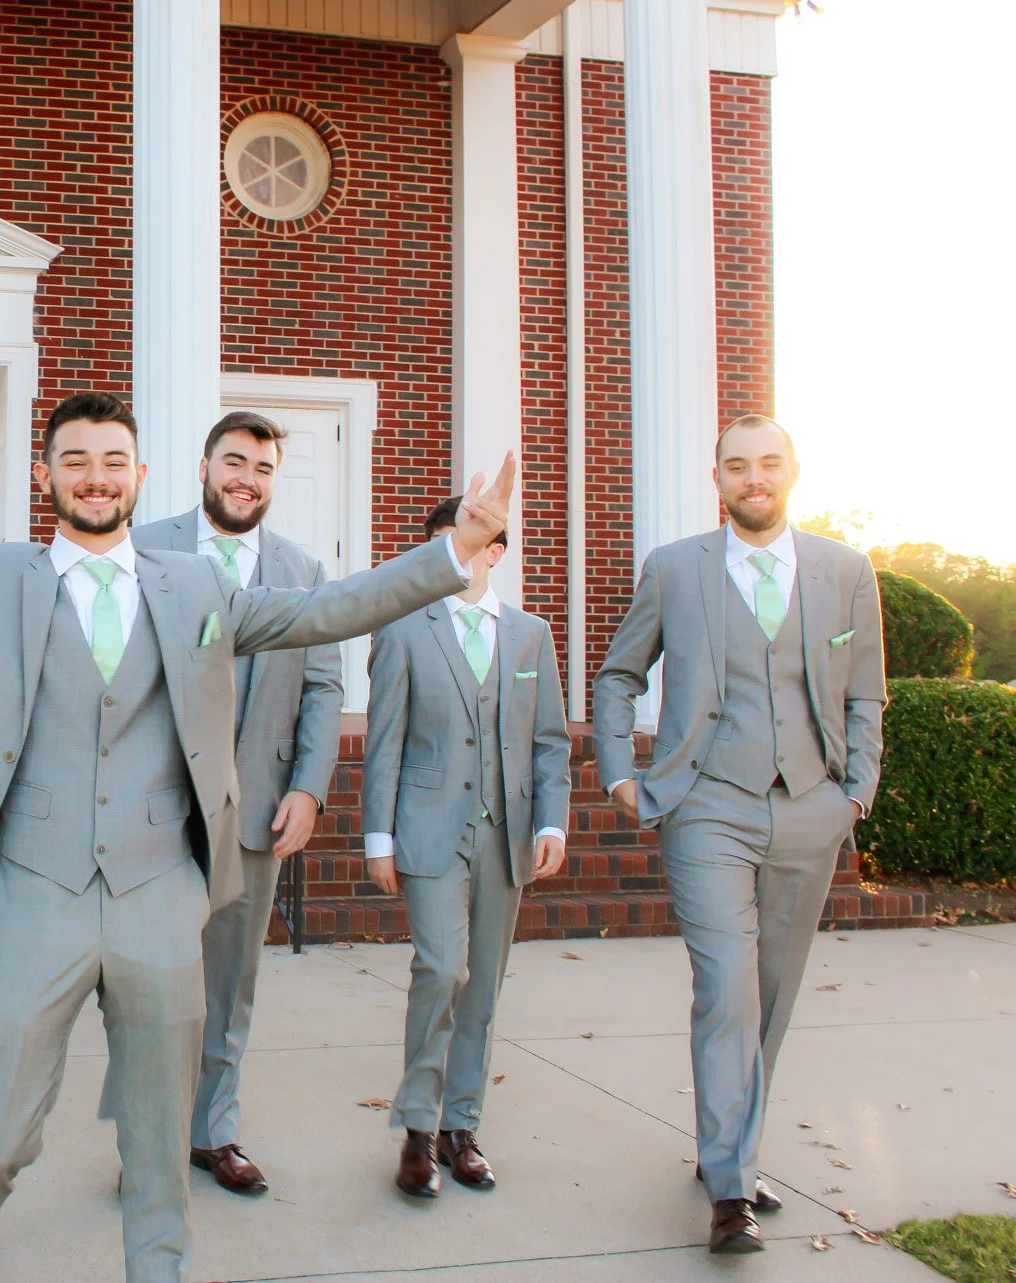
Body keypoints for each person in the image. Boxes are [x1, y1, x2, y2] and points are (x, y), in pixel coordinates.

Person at [0, 391, 514, 1283]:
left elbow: (332, 611)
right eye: (75, 459)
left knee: (160, 1151)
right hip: (34, 890)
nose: (95, 476)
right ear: (43, 474)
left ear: (143, 475)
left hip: (161, 892)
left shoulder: (198, 584)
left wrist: (456, 549)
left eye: (113, 460)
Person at [594, 414, 885, 1254]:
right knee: (726, 987)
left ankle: (731, 1143)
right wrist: (624, 774)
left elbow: (866, 693)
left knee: (773, 991)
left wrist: (854, 795)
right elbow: (619, 675)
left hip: (811, 808)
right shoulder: (675, 568)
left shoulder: (844, 570)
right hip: (707, 804)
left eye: (767, 463)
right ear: (715, 478)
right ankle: (730, 1188)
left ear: (792, 470)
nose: (752, 477)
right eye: (735, 465)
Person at [126, 410, 343, 1196]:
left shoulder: (303, 570)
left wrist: (310, 788)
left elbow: (323, 688)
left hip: (255, 815)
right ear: (204, 465)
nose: (246, 478)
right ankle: (147, 1141)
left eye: (262, 466)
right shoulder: (144, 547)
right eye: (234, 461)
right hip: (153, 815)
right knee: (148, 985)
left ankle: (213, 1132)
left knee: (229, 983)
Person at [361, 497, 569, 1198]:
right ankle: (418, 1129)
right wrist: (378, 837)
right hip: (427, 828)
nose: (460, 553)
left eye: (473, 540)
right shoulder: (403, 628)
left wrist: (551, 823)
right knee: (442, 967)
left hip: (505, 832)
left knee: (482, 983)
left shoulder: (530, 635)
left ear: (497, 551)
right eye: (446, 543)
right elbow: (383, 738)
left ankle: (462, 1128)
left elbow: (548, 741)